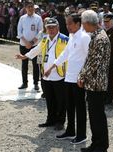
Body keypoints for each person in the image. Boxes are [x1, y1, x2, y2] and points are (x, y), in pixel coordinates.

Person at [16, 18, 68, 130]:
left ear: (58, 27)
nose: (51, 29)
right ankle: (51, 119)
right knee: (49, 99)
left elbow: (67, 55)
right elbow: (37, 50)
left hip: (59, 74)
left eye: (53, 27)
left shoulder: (64, 39)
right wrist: (24, 56)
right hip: (46, 75)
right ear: (46, 29)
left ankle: (60, 121)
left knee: (61, 100)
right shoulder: (45, 39)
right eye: (49, 27)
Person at [46, 13, 90, 144]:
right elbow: (65, 54)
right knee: (69, 106)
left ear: (78, 23)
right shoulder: (72, 36)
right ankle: (71, 131)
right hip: (69, 77)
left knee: (80, 108)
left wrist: (84, 76)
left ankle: (82, 135)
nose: (68, 26)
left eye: (70, 23)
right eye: (66, 23)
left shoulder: (84, 37)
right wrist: (52, 67)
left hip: (79, 79)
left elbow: (89, 58)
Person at [78, 10, 110, 152]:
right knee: (94, 116)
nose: (83, 27)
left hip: (97, 84)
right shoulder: (97, 36)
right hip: (94, 83)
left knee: (97, 116)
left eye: (84, 24)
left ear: (88, 23)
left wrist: (82, 76)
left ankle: (101, 146)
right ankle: (96, 144)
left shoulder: (100, 39)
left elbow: (93, 63)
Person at [17, 1, 43, 90]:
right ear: (25, 8)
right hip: (23, 44)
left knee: (36, 65)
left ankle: (36, 83)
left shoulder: (38, 18)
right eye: (29, 7)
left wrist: (31, 43)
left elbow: (40, 32)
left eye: (32, 6)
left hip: (35, 45)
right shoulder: (22, 18)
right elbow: (19, 32)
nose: (30, 8)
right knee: (24, 64)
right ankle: (24, 83)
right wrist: (26, 42)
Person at [103, 13, 113, 104]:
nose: (105, 23)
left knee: (110, 79)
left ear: (112, 22)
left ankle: (109, 97)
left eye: (107, 22)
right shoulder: (103, 32)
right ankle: (104, 96)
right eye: (104, 21)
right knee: (104, 79)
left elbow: (112, 47)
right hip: (103, 60)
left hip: (110, 60)